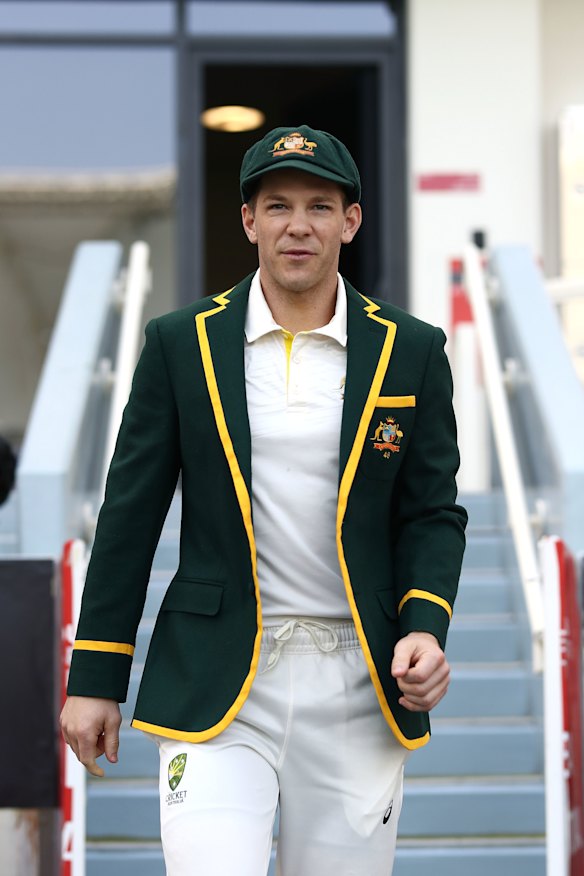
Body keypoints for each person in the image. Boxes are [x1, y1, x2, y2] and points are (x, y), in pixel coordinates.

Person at [61, 124, 467, 875]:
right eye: (277, 206)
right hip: (217, 679)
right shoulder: (179, 342)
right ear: (249, 221)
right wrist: (95, 677)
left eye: (320, 206)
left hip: (357, 679)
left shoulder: (411, 348)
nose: (298, 226)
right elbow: (129, 516)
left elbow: (431, 511)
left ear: (350, 221)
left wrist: (426, 625)